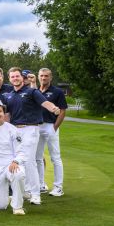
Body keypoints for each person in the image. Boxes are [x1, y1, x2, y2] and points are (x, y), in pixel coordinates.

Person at [2, 67, 62, 205]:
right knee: (18, 160)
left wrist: (53, 108)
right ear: (9, 79)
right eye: (12, 77)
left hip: (30, 129)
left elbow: (45, 102)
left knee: (29, 161)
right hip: (15, 131)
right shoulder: (9, 95)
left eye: (17, 76)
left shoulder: (32, 91)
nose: (15, 79)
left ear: (22, 78)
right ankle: (25, 191)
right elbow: (7, 115)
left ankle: (35, 194)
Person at [37, 68, 67, 197]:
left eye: (46, 76)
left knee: (55, 157)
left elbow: (62, 111)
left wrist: (55, 127)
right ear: (39, 77)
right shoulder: (35, 91)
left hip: (50, 126)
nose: (43, 78)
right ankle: (41, 184)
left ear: (51, 77)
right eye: (42, 76)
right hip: (37, 126)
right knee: (37, 157)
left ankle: (58, 187)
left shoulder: (57, 92)